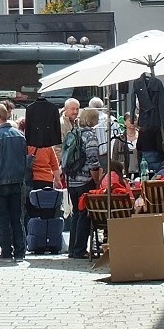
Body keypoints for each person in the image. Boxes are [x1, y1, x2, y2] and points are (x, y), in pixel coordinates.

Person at [0, 102, 28, 261]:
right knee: (17, 218)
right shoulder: (19, 134)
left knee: (3, 219)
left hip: (1, 182)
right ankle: (20, 252)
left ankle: (6, 252)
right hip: (17, 182)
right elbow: (24, 160)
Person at [64, 107, 101, 258]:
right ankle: (80, 250)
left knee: (76, 215)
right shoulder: (90, 136)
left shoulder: (73, 133)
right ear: (93, 119)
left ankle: (72, 249)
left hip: (71, 180)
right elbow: (93, 161)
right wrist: (97, 180)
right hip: (85, 181)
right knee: (85, 215)